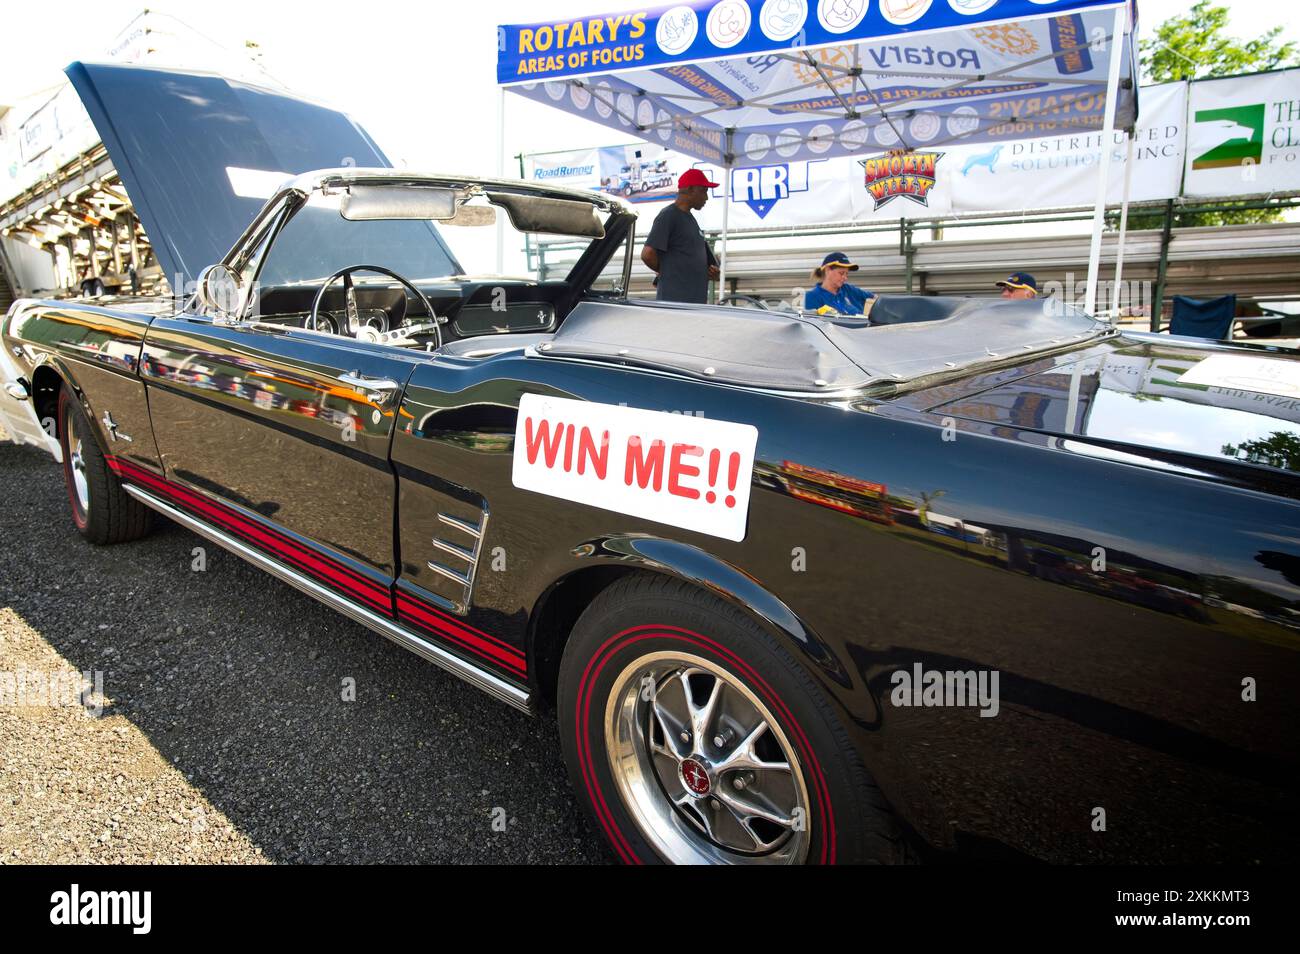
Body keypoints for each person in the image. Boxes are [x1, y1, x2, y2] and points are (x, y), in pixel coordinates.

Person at [641, 168, 720, 304]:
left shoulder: (690, 219)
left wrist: (710, 271)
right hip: (676, 303)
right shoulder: (668, 215)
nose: (706, 197)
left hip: (693, 302)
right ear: (690, 190)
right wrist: (668, 273)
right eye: (703, 191)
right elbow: (647, 255)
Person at [804, 252, 875, 315]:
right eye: (841, 273)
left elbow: (876, 300)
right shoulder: (811, 298)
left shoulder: (849, 290)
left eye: (847, 274)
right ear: (827, 270)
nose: (845, 278)